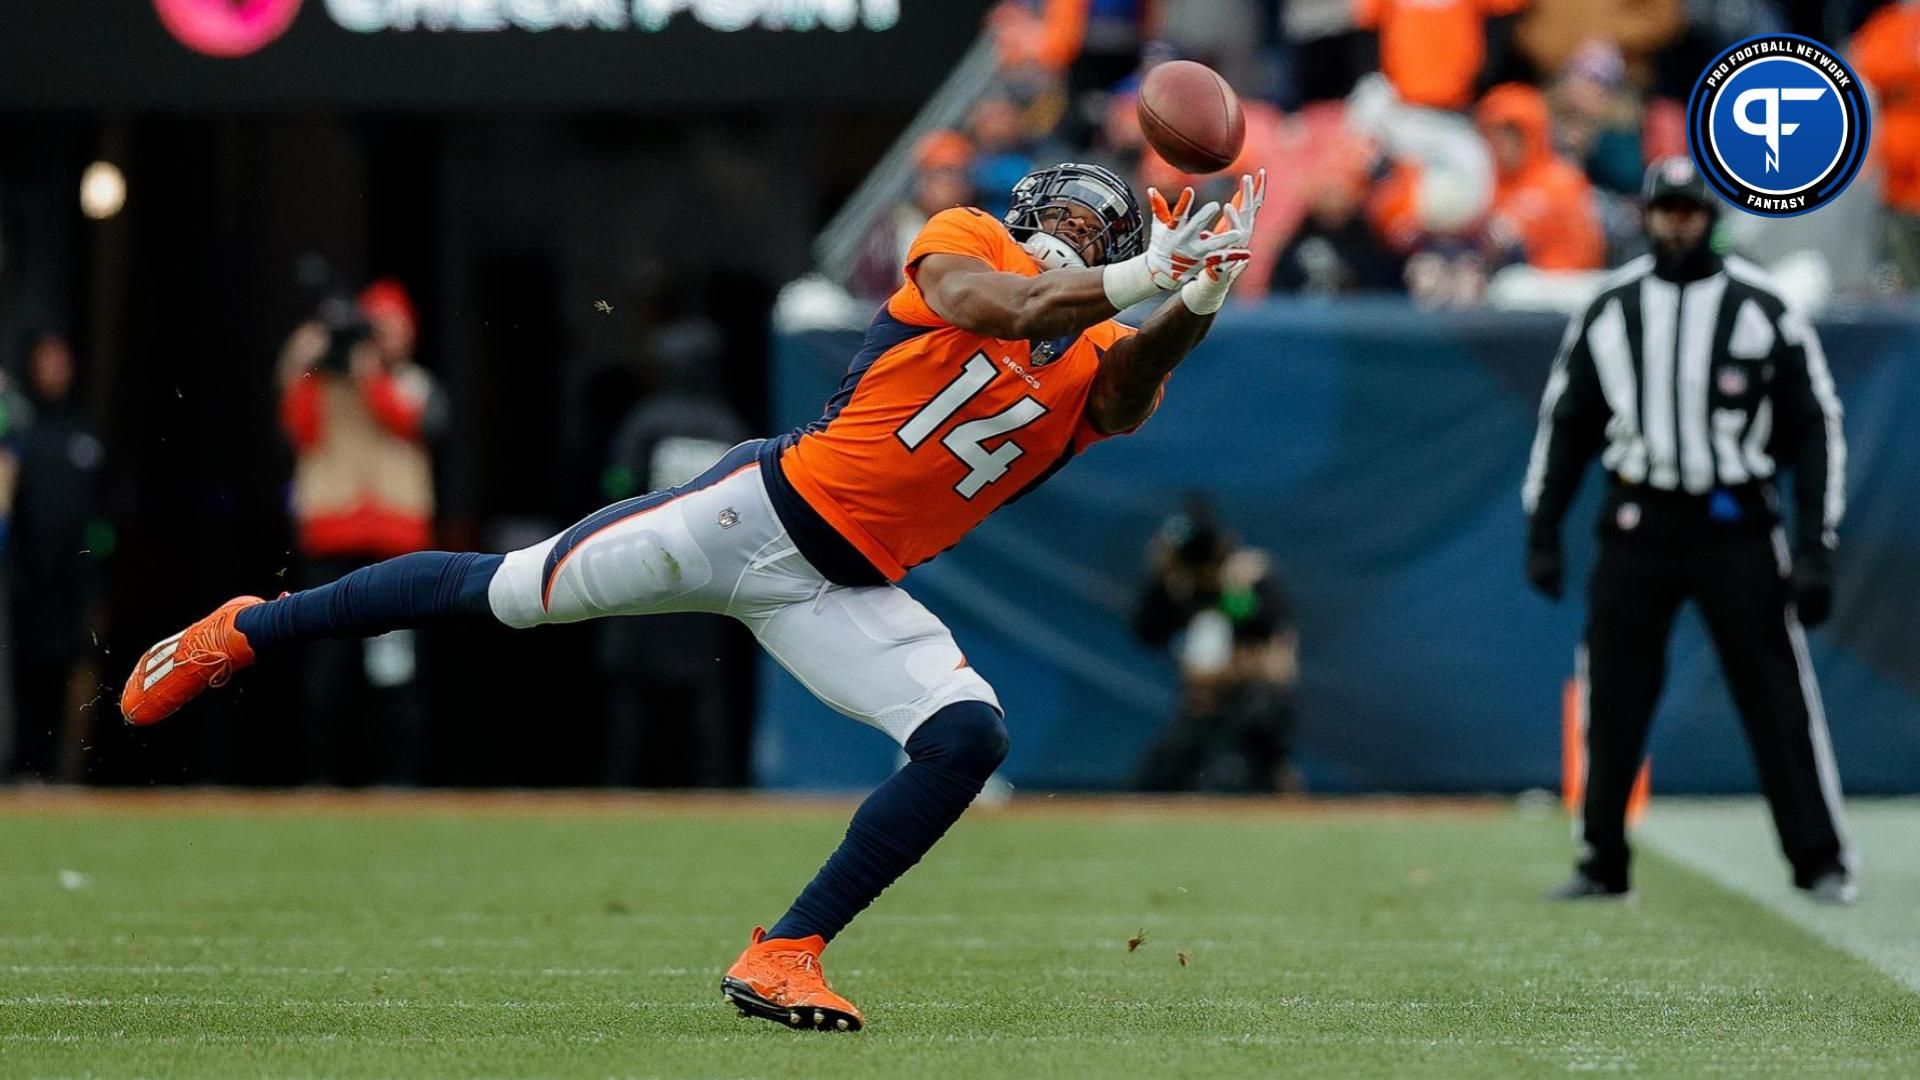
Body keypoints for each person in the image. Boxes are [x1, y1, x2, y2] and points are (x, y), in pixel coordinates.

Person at [120, 162, 1267, 1030]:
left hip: (842, 584)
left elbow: (1128, 379)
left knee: (966, 735)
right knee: (508, 594)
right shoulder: (969, 244)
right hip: (752, 515)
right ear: (1026, 218)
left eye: (1093, 232)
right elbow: (1001, 309)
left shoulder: (1104, 365)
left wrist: (1201, 293)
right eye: (1060, 221)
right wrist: (1134, 273)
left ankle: (787, 950)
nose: (1070, 240)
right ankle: (243, 632)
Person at [1522, 158, 1854, 904]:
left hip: (1735, 519)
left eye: (1690, 212)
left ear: (1712, 218)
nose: (1677, 224)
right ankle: (1601, 858)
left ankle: (1819, 857)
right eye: (1666, 210)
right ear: (1646, 215)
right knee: (1615, 694)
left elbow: (1814, 426)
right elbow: (1567, 424)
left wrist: (1813, 548)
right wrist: (1543, 528)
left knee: (1775, 695)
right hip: (1639, 520)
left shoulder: (1763, 307)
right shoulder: (1609, 307)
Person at [276, 279, 450, 785]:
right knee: (325, 671)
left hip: (395, 549)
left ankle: (397, 781)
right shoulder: (318, 386)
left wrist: (369, 376)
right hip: (332, 543)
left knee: (394, 673)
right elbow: (298, 428)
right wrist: (303, 360)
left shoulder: (415, 384)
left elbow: (415, 423)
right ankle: (320, 780)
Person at [597, 321, 751, 787]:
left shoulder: (646, 421)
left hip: (643, 571)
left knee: (630, 687)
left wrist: (643, 508)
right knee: (708, 689)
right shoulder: (732, 429)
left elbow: (617, 484)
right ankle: (713, 784)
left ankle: (621, 782)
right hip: (708, 577)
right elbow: (743, 508)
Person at [1132, 498, 1300, 792]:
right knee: (1162, 772)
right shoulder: (1178, 581)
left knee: (1239, 765)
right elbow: (1147, 632)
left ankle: (1278, 793)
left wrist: (1232, 593)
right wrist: (1162, 584)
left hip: (1257, 692)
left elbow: (1268, 624)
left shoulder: (1246, 572)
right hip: (1204, 697)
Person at [6, 335, 104, 780]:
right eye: (47, 361)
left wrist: (98, 573)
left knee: (68, 676)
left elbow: (102, 519)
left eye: (62, 361)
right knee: (27, 672)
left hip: (73, 583)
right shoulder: (21, 435)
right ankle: (25, 768)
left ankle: (61, 770)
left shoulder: (85, 434)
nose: (55, 370)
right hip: (29, 581)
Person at [1475, 83, 1607, 272]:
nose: (1502, 144)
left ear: (1532, 134)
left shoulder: (1562, 181)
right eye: (1496, 134)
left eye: (1513, 134)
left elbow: (1587, 251)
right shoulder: (1484, 180)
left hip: (1562, 281)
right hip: (1505, 285)